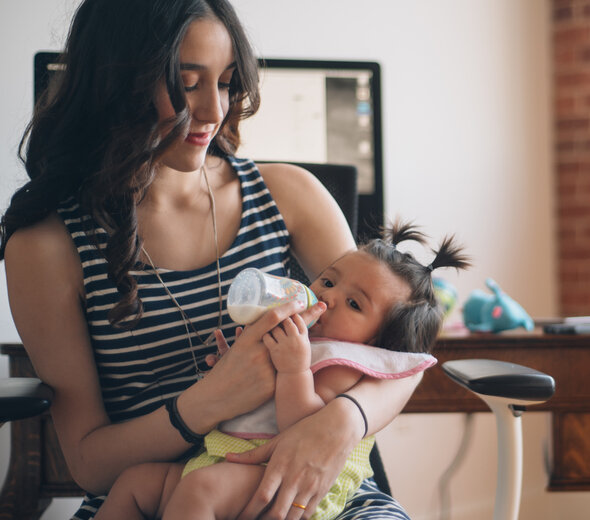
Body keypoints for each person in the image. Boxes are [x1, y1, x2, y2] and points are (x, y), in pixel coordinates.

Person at [2, 1, 424, 518]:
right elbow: (89, 464)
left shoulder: (288, 195)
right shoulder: (47, 246)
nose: (213, 111)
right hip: (156, 495)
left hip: (303, 488)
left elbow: (399, 352)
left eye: (225, 82)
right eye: (186, 83)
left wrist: (343, 423)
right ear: (117, 84)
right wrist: (209, 402)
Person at [93, 222, 470, 520]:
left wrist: (293, 371)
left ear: (376, 343)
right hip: (220, 459)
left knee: (200, 492)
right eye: (328, 280)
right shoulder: (290, 332)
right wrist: (228, 366)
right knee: (135, 483)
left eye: (354, 304)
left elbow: (306, 432)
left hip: (287, 480)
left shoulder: (342, 363)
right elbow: (241, 397)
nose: (328, 297)